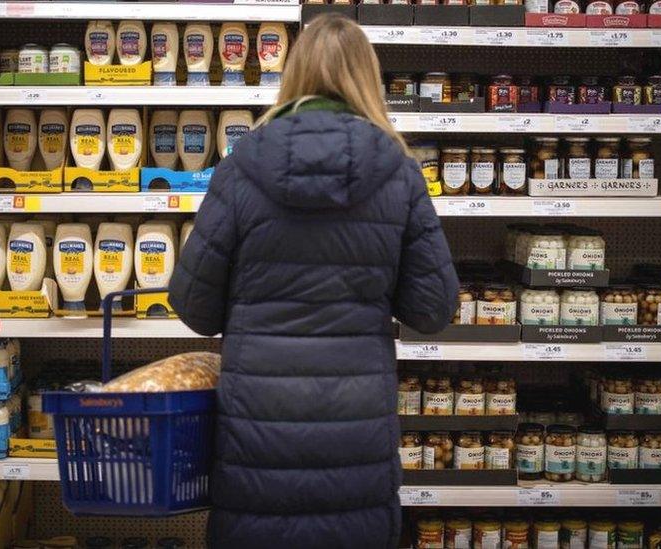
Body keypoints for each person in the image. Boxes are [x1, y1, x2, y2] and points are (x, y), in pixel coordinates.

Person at [169, 13, 458, 549]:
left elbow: (194, 306)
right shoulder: (399, 171)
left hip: (258, 440)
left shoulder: (241, 167)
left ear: (293, 74)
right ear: (367, 79)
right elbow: (434, 307)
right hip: (356, 438)